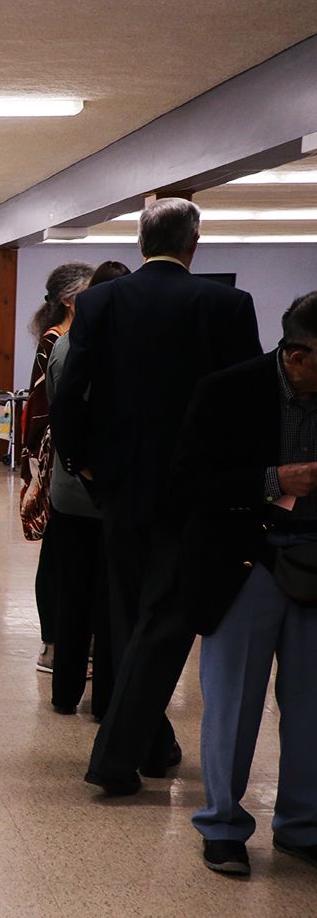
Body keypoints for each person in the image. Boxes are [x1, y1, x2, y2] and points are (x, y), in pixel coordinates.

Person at [52, 198, 262, 794]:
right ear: (194, 244)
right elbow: (247, 401)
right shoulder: (226, 305)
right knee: (166, 618)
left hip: (119, 485)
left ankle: (152, 741)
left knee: (131, 615)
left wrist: (81, 461)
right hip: (197, 489)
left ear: (141, 244)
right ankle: (117, 757)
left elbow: (72, 395)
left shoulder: (99, 302)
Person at [166, 293, 317, 876]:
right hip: (244, 564)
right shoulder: (227, 391)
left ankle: (302, 823)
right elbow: (186, 485)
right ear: (297, 355)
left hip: (313, 558)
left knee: (310, 704)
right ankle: (223, 824)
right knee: (233, 702)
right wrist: (274, 478)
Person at [40, 259, 131, 715]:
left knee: (72, 594)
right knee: (112, 600)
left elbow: (59, 410)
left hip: (70, 490)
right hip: (116, 494)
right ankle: (106, 700)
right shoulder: (132, 350)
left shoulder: (66, 345)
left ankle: (64, 693)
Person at [21, 262, 96, 674]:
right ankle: (53, 643)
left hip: (69, 452)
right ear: (71, 299)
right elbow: (44, 404)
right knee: (57, 549)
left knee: (73, 550)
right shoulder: (57, 340)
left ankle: (79, 640)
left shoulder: (85, 338)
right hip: (59, 456)